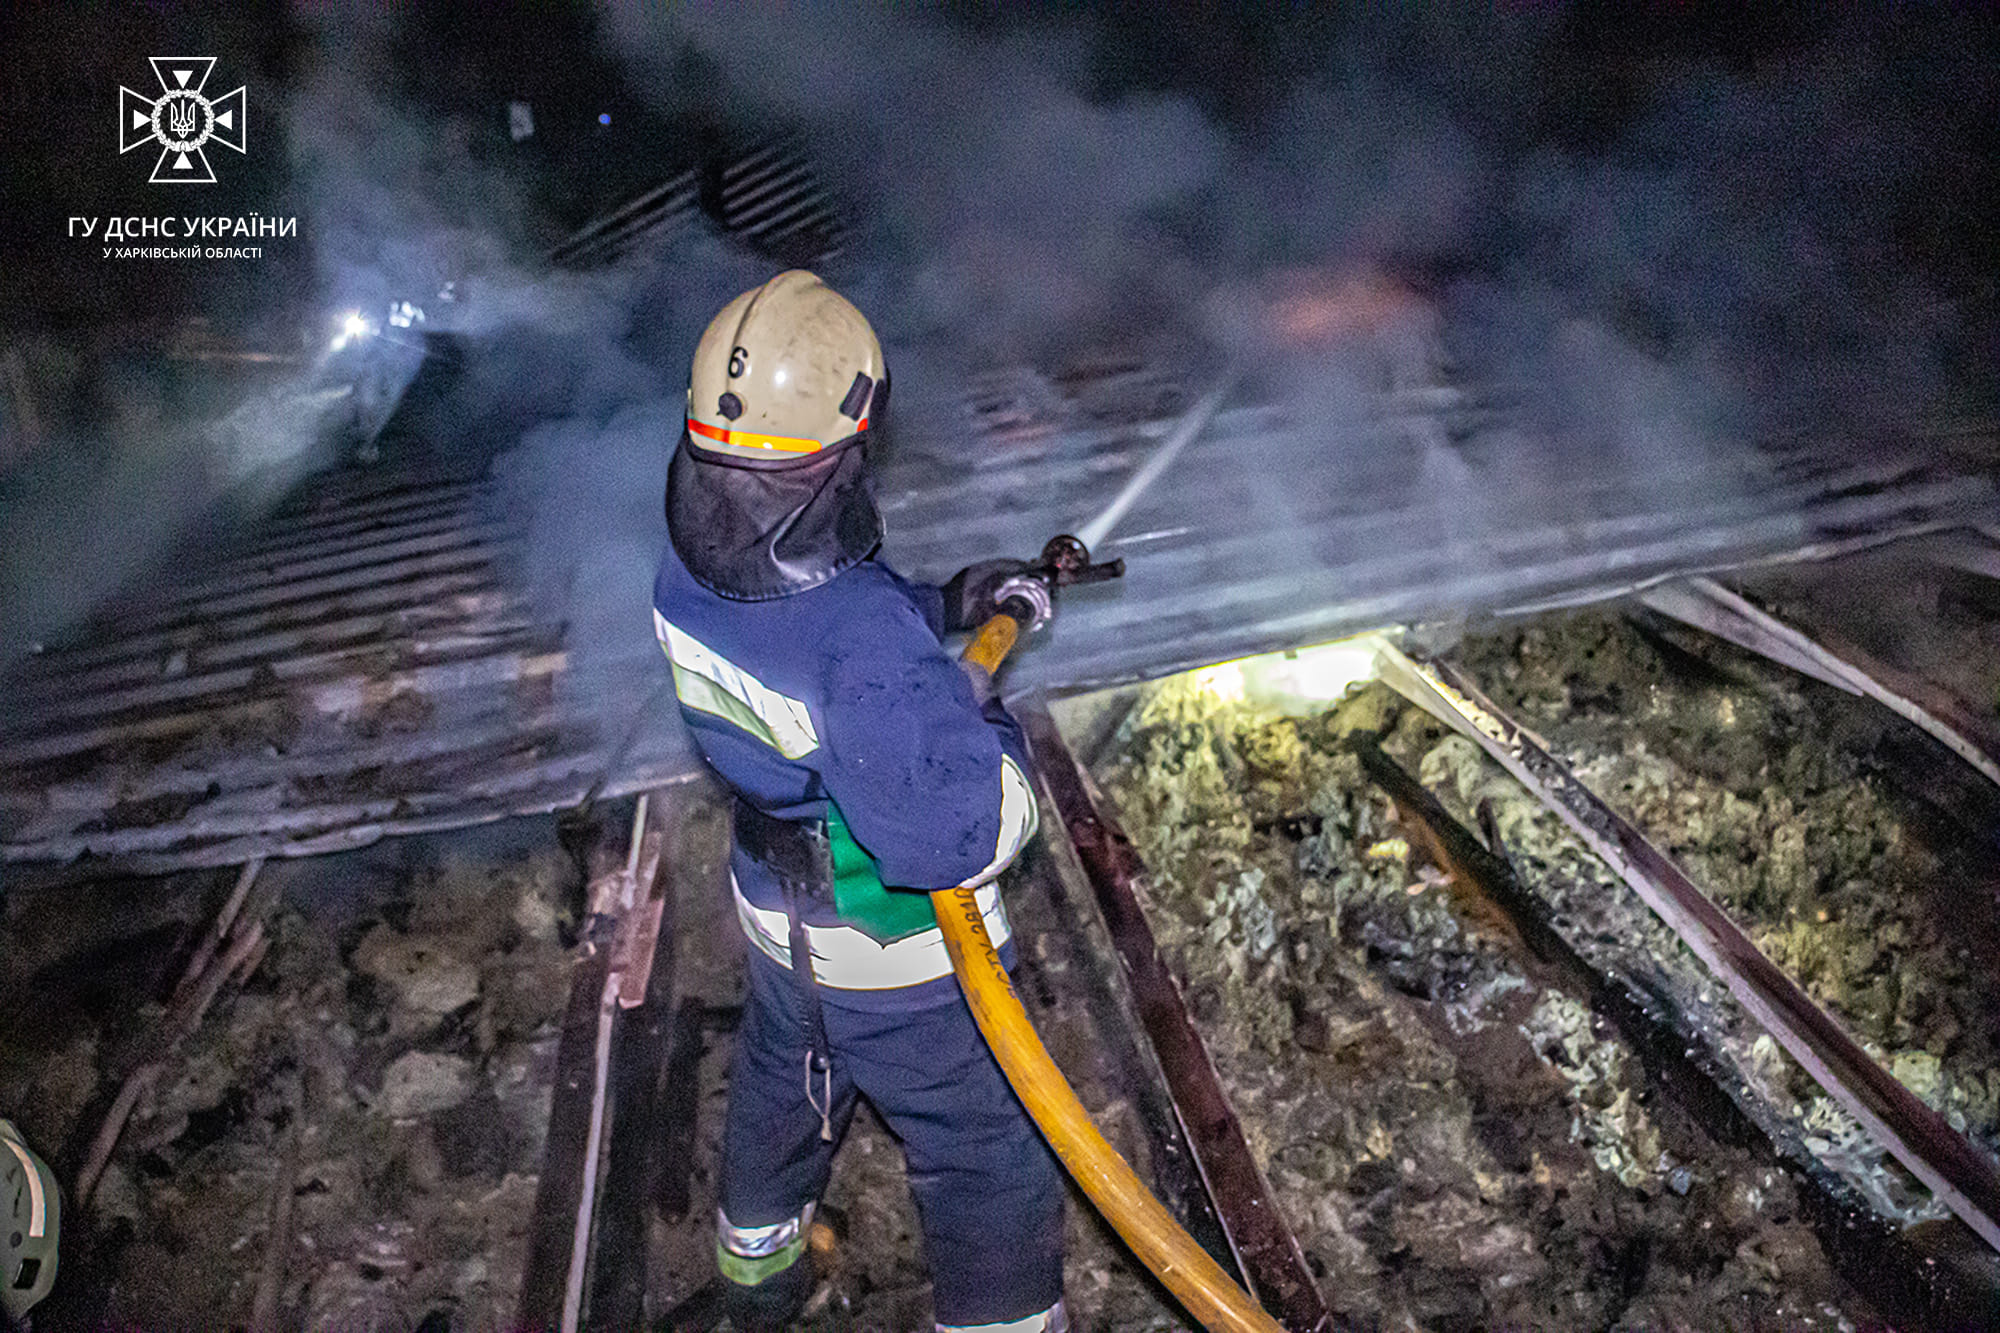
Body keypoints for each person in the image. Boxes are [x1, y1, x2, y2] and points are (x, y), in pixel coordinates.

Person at [653, 270, 1067, 1332]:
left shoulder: (686, 563)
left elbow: (813, 651)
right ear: (846, 440)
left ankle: (758, 1271)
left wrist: (945, 607)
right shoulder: (857, 639)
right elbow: (952, 833)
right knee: (987, 1156)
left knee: (786, 1083)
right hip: (887, 950)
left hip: (774, 911)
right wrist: (979, 720)